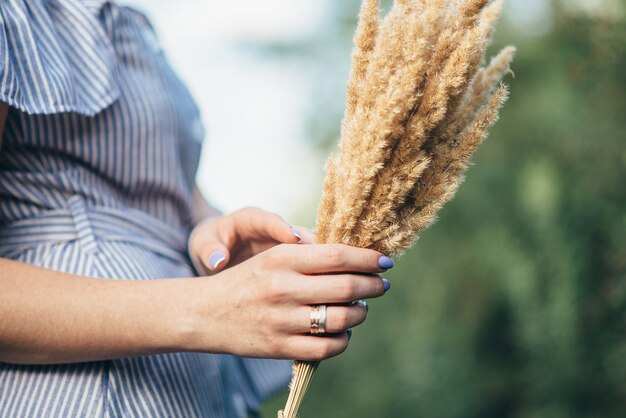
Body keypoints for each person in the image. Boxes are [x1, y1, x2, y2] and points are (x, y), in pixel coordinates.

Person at [0, 1, 392, 417]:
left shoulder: (131, 23)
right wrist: (211, 307)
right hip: (75, 392)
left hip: (181, 385)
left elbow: (169, 196)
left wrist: (208, 234)